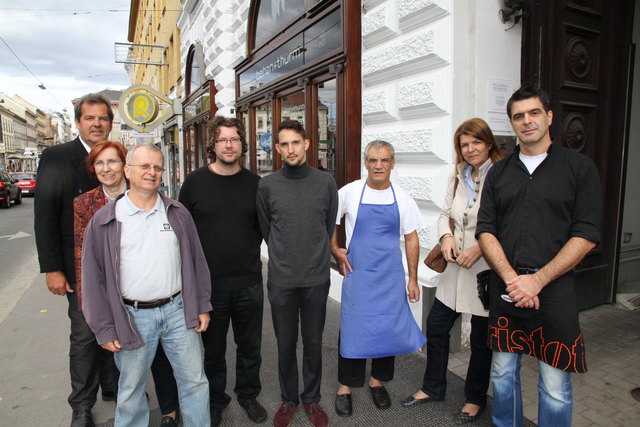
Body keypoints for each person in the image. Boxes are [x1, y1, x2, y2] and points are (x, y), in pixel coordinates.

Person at [476, 86, 601, 427]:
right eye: (518, 116)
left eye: (533, 113)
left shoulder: (579, 168)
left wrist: (538, 280)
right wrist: (514, 279)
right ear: (511, 123)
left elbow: (587, 233)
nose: (526, 121)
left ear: (549, 117)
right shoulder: (498, 173)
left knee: (555, 385)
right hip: (506, 288)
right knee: (502, 373)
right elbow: (485, 230)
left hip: (555, 289)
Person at [81, 143, 212, 427]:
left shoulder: (177, 213)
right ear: (127, 170)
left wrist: (201, 304)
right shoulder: (105, 220)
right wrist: (103, 327)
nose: (151, 173)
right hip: (132, 317)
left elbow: (196, 262)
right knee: (131, 391)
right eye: (144, 166)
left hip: (179, 312)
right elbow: (92, 280)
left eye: (157, 167)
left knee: (195, 383)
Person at [402, 119, 502, 424]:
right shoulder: (458, 177)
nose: (470, 149)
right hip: (454, 269)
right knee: (436, 327)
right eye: (464, 144)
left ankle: (474, 399)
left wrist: (480, 248)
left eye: (476, 142)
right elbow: (445, 214)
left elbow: (509, 223)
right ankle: (433, 387)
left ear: (488, 144)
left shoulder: (502, 175)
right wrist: (445, 238)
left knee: (481, 341)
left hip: (485, 270)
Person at [179, 116, 266, 426]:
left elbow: (267, 230)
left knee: (250, 346)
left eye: (235, 139)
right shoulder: (194, 183)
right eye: (222, 140)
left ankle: (248, 394)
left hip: (249, 282)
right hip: (209, 285)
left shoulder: (257, 185)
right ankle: (215, 399)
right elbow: (182, 234)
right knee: (212, 350)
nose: (229, 145)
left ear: (242, 144)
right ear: (212, 146)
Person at [34, 93, 114, 427]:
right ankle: (81, 404)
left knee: (117, 324)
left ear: (111, 122)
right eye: (89, 118)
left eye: (103, 118)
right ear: (78, 122)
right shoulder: (56, 156)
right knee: (84, 335)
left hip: (117, 265)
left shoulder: (116, 155)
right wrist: (52, 268)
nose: (97, 124)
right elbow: (45, 215)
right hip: (77, 265)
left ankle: (113, 385)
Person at [331, 140, 426, 417]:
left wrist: (413, 279)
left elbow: (411, 239)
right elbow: (330, 222)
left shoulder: (403, 198)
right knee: (353, 327)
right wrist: (336, 250)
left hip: (389, 276)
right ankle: (345, 387)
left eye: (384, 160)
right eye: (373, 160)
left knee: (387, 328)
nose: (378, 165)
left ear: (392, 163)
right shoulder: (349, 192)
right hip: (357, 274)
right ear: (365, 163)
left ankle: (377, 381)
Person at [256, 120, 338, 427]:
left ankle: (312, 399)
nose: (291, 149)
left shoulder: (325, 182)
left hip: (316, 278)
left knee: (314, 343)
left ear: (306, 143)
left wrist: (315, 254)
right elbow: (267, 229)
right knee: (286, 343)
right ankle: (289, 400)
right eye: (284, 144)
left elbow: (327, 225)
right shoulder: (267, 185)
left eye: (296, 142)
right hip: (282, 280)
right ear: (277, 149)